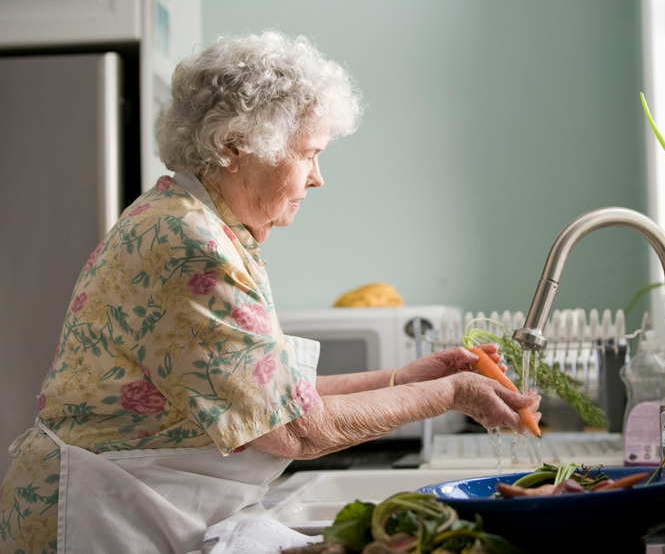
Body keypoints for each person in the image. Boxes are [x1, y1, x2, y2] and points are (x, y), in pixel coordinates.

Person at [0, 31, 540, 554]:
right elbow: (295, 430)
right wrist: (451, 394)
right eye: (309, 153)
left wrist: (411, 377)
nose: (318, 177)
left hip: (132, 504)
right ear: (236, 145)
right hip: (95, 518)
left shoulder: (201, 225)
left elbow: (271, 396)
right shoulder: (188, 244)